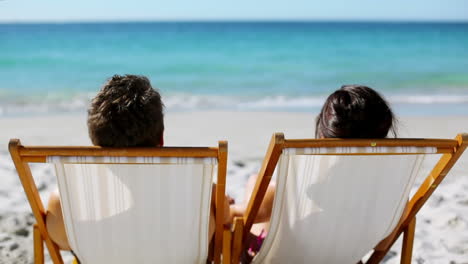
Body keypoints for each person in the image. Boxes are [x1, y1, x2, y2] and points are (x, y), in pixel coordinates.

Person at [45, 74, 231, 252]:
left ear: (94, 142)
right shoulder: (203, 195)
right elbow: (221, 229)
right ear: (161, 139)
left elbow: (62, 244)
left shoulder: (65, 203)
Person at [230, 85, 398, 260]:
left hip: (287, 258)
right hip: (343, 257)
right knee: (257, 182)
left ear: (323, 137)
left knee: (258, 186)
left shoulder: (305, 182)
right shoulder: (392, 190)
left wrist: (227, 209)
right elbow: (382, 245)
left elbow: (244, 217)